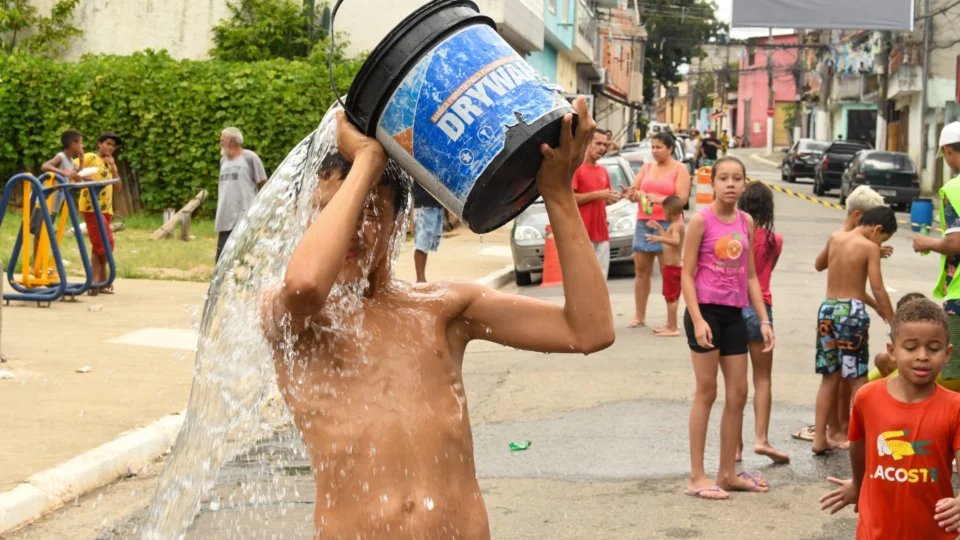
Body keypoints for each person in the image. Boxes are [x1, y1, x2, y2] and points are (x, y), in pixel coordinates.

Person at [259, 98, 614, 538]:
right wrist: (368, 158)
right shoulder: (292, 317)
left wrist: (558, 193)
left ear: (400, 223)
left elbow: (589, 330)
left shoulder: (441, 308)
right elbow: (305, 287)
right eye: (329, 211)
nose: (351, 229)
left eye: (370, 212)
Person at [819, 298, 960, 539]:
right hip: (875, 531)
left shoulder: (955, 406)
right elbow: (858, 444)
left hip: (931, 531)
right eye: (911, 347)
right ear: (892, 351)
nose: (922, 356)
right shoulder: (867, 397)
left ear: (947, 354)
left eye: (934, 348)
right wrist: (858, 485)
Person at [682, 156, 775, 500]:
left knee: (738, 393)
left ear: (744, 183)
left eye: (737, 178)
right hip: (705, 312)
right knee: (707, 392)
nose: (731, 184)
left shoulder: (745, 221)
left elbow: (750, 276)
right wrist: (698, 319)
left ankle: (727, 473)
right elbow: (686, 275)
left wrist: (764, 320)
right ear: (713, 183)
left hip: (735, 313)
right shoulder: (700, 220)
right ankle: (697, 476)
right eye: (724, 178)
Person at [793, 185, 893, 444]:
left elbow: (820, 264)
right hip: (851, 314)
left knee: (829, 376)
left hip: (827, 310)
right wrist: (893, 321)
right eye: (882, 239)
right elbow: (877, 288)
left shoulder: (836, 238)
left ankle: (820, 438)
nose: (880, 245)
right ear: (876, 229)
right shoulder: (869, 248)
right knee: (856, 376)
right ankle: (862, 438)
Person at [735, 182, 789, 464]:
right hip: (760, 309)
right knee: (762, 377)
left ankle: (735, 446)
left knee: (735, 381)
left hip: (733, 305)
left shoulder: (734, 237)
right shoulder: (774, 240)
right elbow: (763, 274)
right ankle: (761, 438)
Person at [626, 131, 691, 328]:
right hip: (644, 222)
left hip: (668, 224)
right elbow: (633, 191)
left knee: (668, 272)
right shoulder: (646, 167)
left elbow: (682, 199)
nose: (654, 151)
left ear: (670, 149)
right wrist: (633, 194)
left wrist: (660, 199)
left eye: (659, 147)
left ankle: (671, 320)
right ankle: (639, 316)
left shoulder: (680, 169)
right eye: (653, 147)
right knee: (641, 270)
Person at [914, 121, 960, 390]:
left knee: (953, 374)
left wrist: (927, 242)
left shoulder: (954, 189)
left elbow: (956, 242)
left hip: (959, 295)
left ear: (948, 150)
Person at [74, 131, 123, 296]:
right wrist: (85, 176)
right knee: (103, 243)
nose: (111, 147)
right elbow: (73, 167)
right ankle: (95, 281)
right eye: (107, 143)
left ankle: (100, 280)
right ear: (99, 144)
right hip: (91, 206)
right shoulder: (91, 157)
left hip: (106, 209)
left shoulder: (110, 163)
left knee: (103, 244)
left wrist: (113, 168)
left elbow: (118, 187)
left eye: (113, 146)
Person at [215, 127, 268, 263]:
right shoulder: (223, 161)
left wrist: (261, 208)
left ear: (232, 141)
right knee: (221, 259)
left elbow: (263, 183)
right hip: (225, 217)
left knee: (244, 256)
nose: (220, 143)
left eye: (222, 140)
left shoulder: (250, 158)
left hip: (245, 217)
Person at [573, 129, 621, 276]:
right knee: (583, 279)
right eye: (598, 143)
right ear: (587, 143)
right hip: (582, 235)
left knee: (601, 280)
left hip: (602, 234)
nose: (602, 148)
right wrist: (597, 194)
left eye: (605, 145)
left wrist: (622, 196)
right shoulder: (576, 168)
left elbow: (605, 200)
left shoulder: (603, 171)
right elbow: (570, 199)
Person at [35, 130, 84, 266]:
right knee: (40, 233)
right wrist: (62, 172)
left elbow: (78, 176)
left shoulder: (71, 161)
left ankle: (41, 263)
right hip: (46, 201)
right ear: (73, 144)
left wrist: (82, 161)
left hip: (55, 204)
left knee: (46, 232)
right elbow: (45, 166)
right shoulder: (61, 157)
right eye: (81, 143)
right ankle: (35, 264)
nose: (82, 146)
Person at [642, 195, 685, 337]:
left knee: (672, 299)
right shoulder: (674, 225)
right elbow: (668, 239)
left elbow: (675, 242)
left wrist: (657, 238)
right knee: (669, 298)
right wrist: (659, 228)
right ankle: (669, 324)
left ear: (669, 212)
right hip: (670, 267)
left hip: (673, 268)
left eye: (663, 211)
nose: (663, 214)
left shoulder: (677, 225)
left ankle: (673, 328)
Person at [870, 293, 931, 378]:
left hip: (927, 363)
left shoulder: (933, 328)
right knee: (880, 359)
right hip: (905, 362)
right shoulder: (901, 330)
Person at [412, 184, 444, 283]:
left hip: (436, 204)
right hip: (425, 204)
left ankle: (422, 279)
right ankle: (420, 280)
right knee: (421, 243)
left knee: (426, 244)